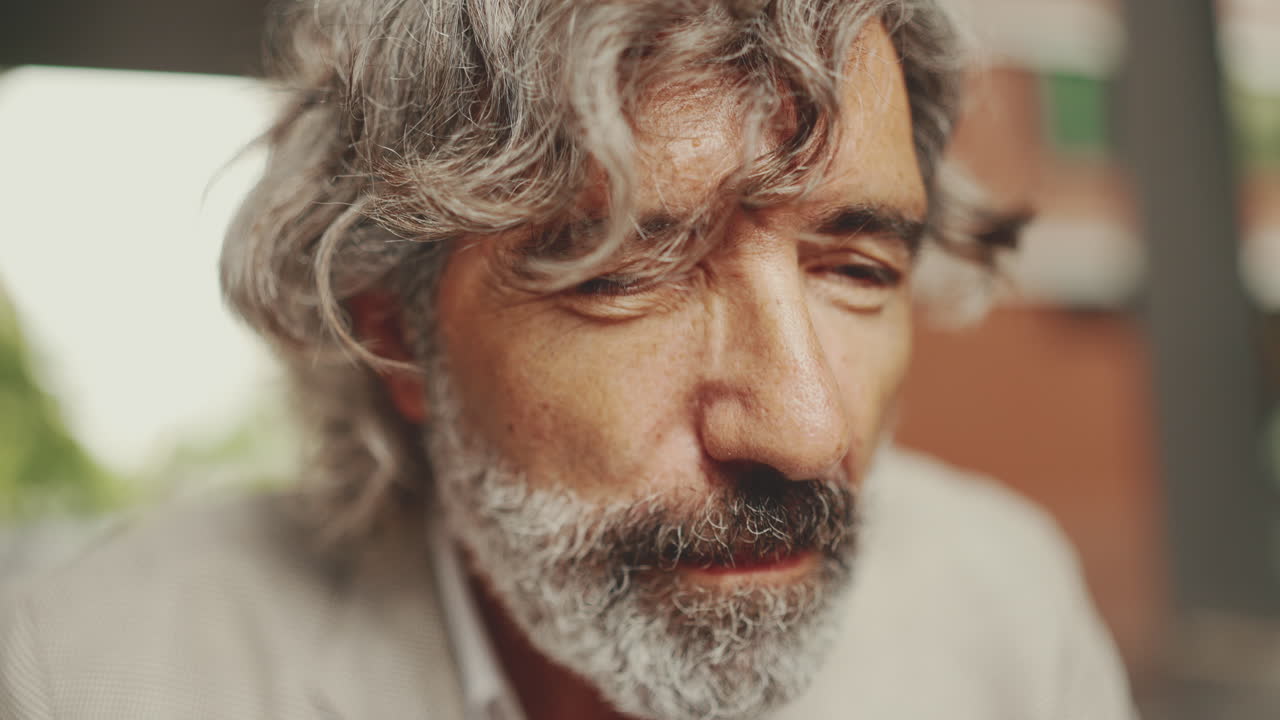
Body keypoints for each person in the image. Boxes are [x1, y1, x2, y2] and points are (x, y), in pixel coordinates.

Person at [0, 1, 1136, 718]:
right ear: (398, 329)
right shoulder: (86, 675)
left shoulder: (1004, 613)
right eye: (622, 274)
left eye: (853, 269)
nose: (805, 431)